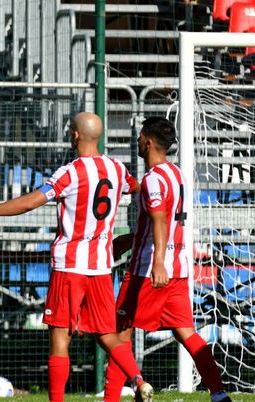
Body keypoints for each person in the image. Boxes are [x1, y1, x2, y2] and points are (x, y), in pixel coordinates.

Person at [0, 112, 154, 402]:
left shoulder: (70, 172)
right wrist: (131, 235)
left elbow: (29, 203)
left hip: (70, 266)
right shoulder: (116, 168)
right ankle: (138, 380)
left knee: (60, 336)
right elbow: (140, 190)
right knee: (106, 334)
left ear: (76, 135)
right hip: (101, 266)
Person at [103, 117, 232, 402]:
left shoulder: (152, 179)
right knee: (188, 334)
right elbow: (160, 222)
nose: (137, 141)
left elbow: (160, 221)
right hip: (178, 269)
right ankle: (219, 394)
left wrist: (158, 261)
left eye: (139, 137)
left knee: (117, 336)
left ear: (148, 141)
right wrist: (128, 240)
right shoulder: (176, 174)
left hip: (149, 271)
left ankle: (114, 397)